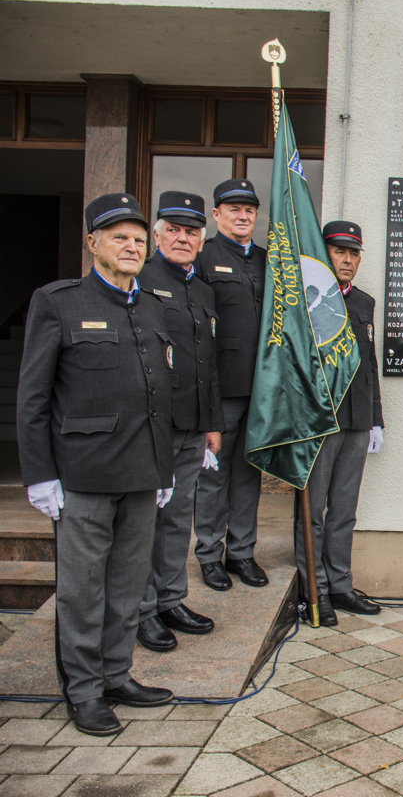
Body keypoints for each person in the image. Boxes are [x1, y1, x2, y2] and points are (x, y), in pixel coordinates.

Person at [18, 194, 176, 735]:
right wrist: (39, 474)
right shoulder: (59, 302)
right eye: (119, 238)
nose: (132, 247)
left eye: (138, 239)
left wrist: (164, 471)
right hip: (82, 476)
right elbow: (33, 397)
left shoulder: (153, 305)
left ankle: (116, 675)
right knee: (83, 591)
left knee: (128, 587)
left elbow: (160, 396)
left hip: (140, 476)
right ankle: (83, 692)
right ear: (92, 244)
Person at [135, 192, 224, 652]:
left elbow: (206, 363)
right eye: (173, 229)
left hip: (194, 426)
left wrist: (212, 424)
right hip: (155, 427)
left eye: (191, 231)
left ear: (202, 238)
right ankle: (143, 609)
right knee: (144, 522)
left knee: (176, 519)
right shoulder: (141, 280)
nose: (183, 238)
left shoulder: (202, 289)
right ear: (157, 234)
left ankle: (170, 598)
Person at [293, 221, 385, 626]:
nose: (347, 260)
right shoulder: (304, 298)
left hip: (356, 418)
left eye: (353, 253)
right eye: (339, 251)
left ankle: (341, 584)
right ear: (324, 253)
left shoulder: (364, 302)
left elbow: (370, 367)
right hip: (319, 419)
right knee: (313, 510)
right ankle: (314, 588)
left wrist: (376, 419)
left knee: (344, 509)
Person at [194, 179, 269, 590]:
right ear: (217, 214)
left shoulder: (267, 259)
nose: (242, 216)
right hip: (221, 389)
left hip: (261, 389)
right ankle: (209, 554)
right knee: (213, 475)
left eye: (250, 210)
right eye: (234, 209)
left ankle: (241, 552)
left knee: (248, 474)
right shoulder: (204, 258)